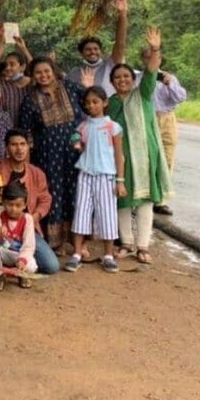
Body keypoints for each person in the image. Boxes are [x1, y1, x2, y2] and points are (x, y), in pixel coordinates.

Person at [108, 28, 173, 264]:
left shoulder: (143, 93)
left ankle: (143, 246)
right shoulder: (110, 103)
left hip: (145, 155)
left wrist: (155, 49)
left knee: (145, 201)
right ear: (112, 82)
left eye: (126, 76)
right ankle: (126, 243)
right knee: (122, 200)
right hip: (120, 158)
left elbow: (152, 70)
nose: (122, 80)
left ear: (133, 80)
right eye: (117, 78)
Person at [0, 129, 60, 275]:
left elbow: (45, 199)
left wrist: (34, 217)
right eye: (14, 144)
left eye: (23, 144)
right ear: (6, 147)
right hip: (0, 224)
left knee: (51, 266)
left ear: (28, 146)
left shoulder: (37, 173)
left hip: (24, 226)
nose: (19, 149)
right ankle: (9, 263)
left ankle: (16, 257)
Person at [18, 56, 85, 250]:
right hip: (47, 155)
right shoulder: (30, 99)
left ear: (54, 71)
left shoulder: (71, 88)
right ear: (33, 76)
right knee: (53, 193)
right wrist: (26, 165)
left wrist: (88, 87)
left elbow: (92, 105)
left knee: (76, 192)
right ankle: (56, 241)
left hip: (74, 152)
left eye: (47, 71)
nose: (43, 75)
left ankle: (79, 241)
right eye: (38, 72)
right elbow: (26, 131)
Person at [64, 84, 125, 274]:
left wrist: (120, 180)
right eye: (88, 103)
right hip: (85, 174)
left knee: (107, 214)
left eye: (95, 102)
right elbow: (76, 142)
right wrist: (76, 144)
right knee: (81, 213)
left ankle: (108, 255)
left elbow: (119, 155)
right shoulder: (83, 126)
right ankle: (77, 254)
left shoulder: (113, 127)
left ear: (104, 103)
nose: (91, 106)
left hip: (106, 176)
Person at [66, 0, 130, 97]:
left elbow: (120, 44)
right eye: (88, 49)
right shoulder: (74, 73)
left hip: (111, 106)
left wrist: (122, 15)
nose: (92, 52)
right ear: (81, 53)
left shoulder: (110, 65)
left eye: (96, 49)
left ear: (101, 51)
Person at [149, 59, 187, 215]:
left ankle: (161, 200)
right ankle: (145, 197)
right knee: (149, 158)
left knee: (167, 158)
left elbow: (181, 98)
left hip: (167, 117)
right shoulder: (138, 77)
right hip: (148, 118)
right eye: (147, 57)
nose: (151, 60)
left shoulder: (169, 78)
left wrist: (169, 83)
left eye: (154, 57)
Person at [0, 181, 37, 291]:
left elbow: (29, 245)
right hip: (4, 250)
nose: (13, 209)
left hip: (18, 254)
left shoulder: (27, 219)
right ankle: (1, 275)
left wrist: (22, 260)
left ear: (24, 205)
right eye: (10, 204)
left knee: (31, 267)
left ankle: (21, 274)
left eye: (18, 205)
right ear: (3, 203)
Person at [0, 34, 32, 125]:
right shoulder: (3, 86)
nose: (8, 68)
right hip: (8, 130)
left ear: (22, 67)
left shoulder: (32, 84)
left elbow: (36, 68)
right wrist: (1, 46)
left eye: (12, 64)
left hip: (30, 130)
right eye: (6, 65)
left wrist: (24, 49)